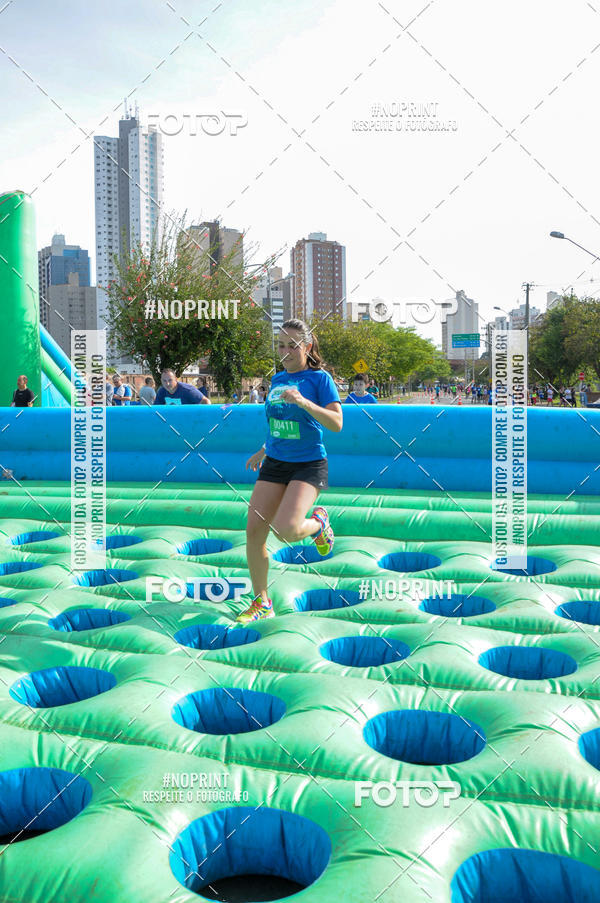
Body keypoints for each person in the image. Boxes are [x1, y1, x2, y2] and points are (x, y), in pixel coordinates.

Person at [237, 318, 342, 623]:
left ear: (307, 347)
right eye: (280, 345)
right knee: (254, 532)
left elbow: (337, 423)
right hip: (275, 462)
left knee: (286, 530)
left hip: (308, 463)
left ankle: (319, 523)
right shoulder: (278, 377)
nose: (285, 350)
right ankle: (262, 602)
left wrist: (305, 402)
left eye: (292, 345)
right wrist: (264, 449)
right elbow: (279, 423)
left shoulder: (319, 379)